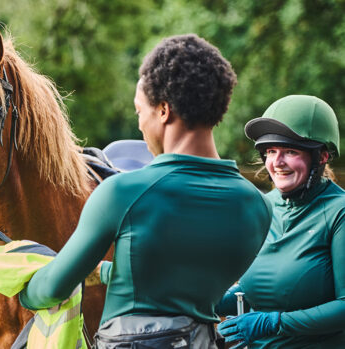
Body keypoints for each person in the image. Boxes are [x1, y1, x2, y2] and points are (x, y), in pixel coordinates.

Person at [18, 34, 272, 348]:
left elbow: (53, 287)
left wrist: (19, 283)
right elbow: (180, 274)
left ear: (163, 110)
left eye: (140, 111)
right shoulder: (257, 206)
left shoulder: (122, 193)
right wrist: (113, 273)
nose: (139, 123)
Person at [217, 95, 345, 348]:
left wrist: (275, 322)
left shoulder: (339, 212)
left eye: (290, 151)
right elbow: (259, 290)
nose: (277, 163)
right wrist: (209, 299)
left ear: (321, 157)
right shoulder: (264, 206)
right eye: (271, 151)